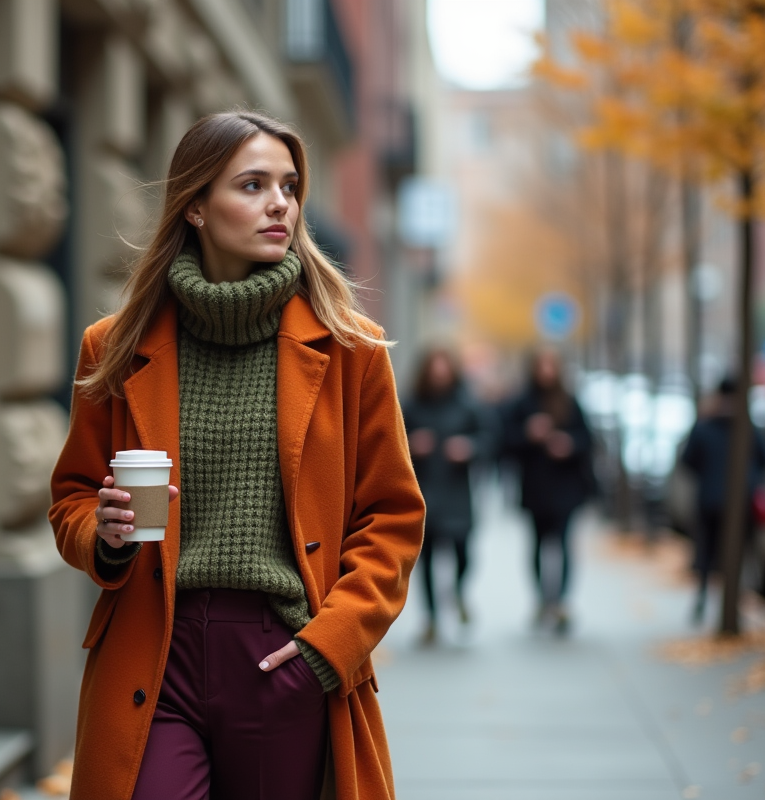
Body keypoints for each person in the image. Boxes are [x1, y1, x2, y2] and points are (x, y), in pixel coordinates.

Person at [49, 111, 425, 800]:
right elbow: (70, 499)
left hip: (281, 648)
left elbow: (392, 519)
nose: (279, 203)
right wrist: (101, 536)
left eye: (288, 186)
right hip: (152, 649)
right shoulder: (115, 345)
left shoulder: (351, 348)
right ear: (195, 205)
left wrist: (326, 648)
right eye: (252, 185)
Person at [402, 347, 491, 644]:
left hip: (457, 493)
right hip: (423, 492)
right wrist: (411, 445)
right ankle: (431, 619)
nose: (439, 374)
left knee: (463, 553)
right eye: (434, 367)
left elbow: (489, 439)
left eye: (444, 367)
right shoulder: (412, 406)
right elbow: (390, 439)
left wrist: (470, 448)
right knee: (426, 559)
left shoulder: (467, 405)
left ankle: (457, 591)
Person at [503, 346, 594, 634]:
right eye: (541, 366)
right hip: (535, 485)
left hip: (566, 485)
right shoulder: (522, 403)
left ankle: (562, 602)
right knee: (538, 544)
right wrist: (528, 435)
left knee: (565, 542)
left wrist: (568, 444)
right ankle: (542, 599)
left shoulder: (570, 402)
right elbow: (506, 443)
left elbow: (587, 440)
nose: (546, 372)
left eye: (550, 366)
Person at [679, 377, 765, 625]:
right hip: (741, 501)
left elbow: (688, 460)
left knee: (707, 553)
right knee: (738, 553)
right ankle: (735, 602)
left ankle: (702, 597)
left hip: (709, 499)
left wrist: (708, 476)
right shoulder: (748, 427)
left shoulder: (704, 426)